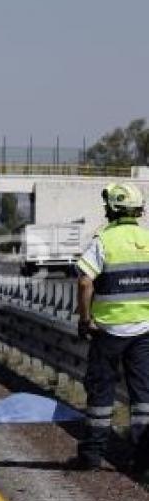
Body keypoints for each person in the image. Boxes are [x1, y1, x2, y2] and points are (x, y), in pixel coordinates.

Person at [72, 183, 149, 476]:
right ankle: (142, 462)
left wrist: (84, 318)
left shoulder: (103, 241)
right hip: (143, 332)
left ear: (112, 210)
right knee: (143, 397)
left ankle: (92, 456)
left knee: (101, 395)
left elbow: (84, 281)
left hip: (108, 332)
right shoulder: (147, 239)